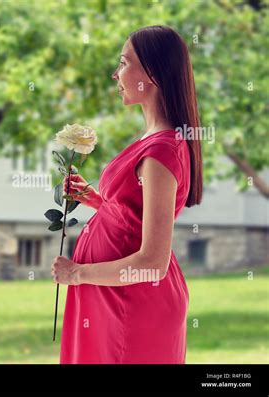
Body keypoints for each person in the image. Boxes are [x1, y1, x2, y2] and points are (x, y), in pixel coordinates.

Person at [51, 25, 203, 364]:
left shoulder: (162, 150)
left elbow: (152, 264)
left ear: (150, 72)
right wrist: (96, 200)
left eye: (123, 63)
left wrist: (77, 273)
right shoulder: (153, 141)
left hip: (130, 305)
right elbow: (135, 217)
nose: (114, 73)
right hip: (113, 298)